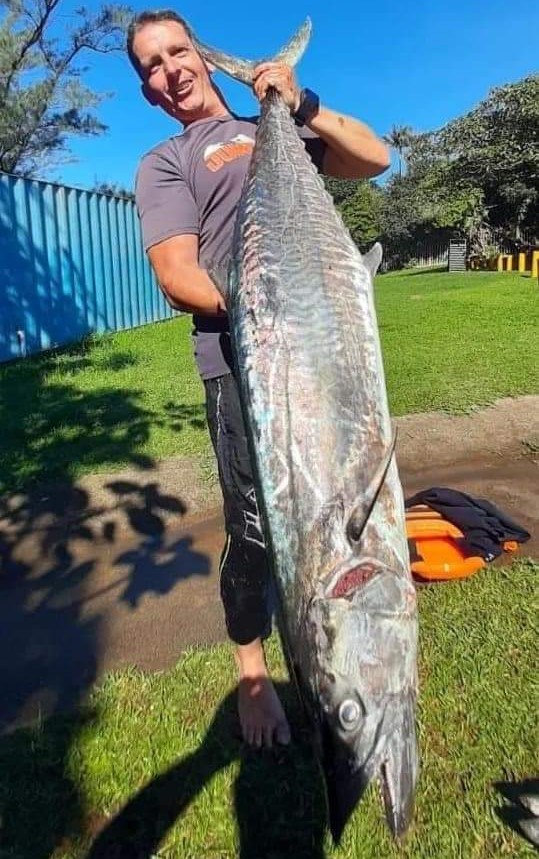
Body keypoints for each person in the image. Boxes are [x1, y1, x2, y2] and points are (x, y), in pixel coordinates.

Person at [127, 9, 390, 749]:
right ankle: (252, 672)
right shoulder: (166, 161)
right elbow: (178, 276)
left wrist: (295, 102)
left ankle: (351, 633)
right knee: (256, 530)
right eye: (151, 64)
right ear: (147, 89)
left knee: (349, 496)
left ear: (202, 58)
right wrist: (265, 309)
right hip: (246, 361)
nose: (170, 67)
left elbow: (374, 158)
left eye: (178, 50)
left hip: (328, 343)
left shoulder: (271, 127)